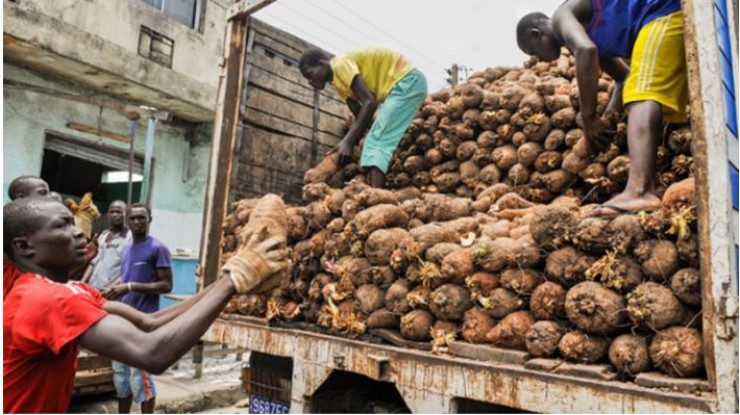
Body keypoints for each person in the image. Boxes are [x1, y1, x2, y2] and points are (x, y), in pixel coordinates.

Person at [3, 196, 289, 414]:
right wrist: (234, 281)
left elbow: (149, 323)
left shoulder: (71, 289)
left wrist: (230, 276)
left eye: (72, 221)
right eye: (62, 225)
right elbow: (152, 353)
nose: (78, 232)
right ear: (24, 247)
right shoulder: (45, 298)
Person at [516, 0, 686, 216]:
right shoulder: (583, 32)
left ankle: (640, 190)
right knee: (636, 89)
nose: (538, 59)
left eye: (533, 52)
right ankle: (641, 189)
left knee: (642, 93)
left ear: (536, 33)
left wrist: (589, 119)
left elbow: (586, 52)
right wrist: (608, 119)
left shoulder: (561, 17)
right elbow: (623, 78)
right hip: (657, 19)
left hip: (661, 13)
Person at [299, 47, 428, 188]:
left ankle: (375, 201)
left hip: (407, 83)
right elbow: (359, 113)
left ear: (322, 64)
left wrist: (347, 142)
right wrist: (346, 142)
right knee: (374, 139)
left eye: (310, 75)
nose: (310, 82)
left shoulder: (340, 64)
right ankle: (376, 194)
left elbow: (370, 102)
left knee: (376, 142)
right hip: (404, 86)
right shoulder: (339, 83)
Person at [101, 203, 172, 414]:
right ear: (127, 221)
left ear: (150, 219)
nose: (137, 223)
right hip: (122, 322)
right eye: (132, 219)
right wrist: (114, 288)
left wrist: (130, 287)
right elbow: (126, 277)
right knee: (120, 376)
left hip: (143, 324)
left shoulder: (158, 248)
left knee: (140, 378)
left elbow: (166, 285)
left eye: (141, 218)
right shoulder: (128, 248)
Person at [82, 200, 130, 291]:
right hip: (92, 288)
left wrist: (110, 289)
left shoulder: (129, 238)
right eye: (112, 212)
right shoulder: (103, 235)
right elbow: (93, 262)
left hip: (110, 292)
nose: (115, 215)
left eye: (118, 212)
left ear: (126, 214)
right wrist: (83, 282)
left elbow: (128, 270)